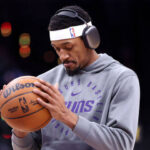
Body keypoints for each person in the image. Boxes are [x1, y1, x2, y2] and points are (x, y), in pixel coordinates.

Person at [1, 5, 140, 150]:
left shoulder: (121, 78)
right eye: (57, 48)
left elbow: (122, 145)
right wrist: (20, 130)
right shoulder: (43, 81)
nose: (63, 56)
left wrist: (66, 116)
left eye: (68, 47)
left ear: (90, 39)